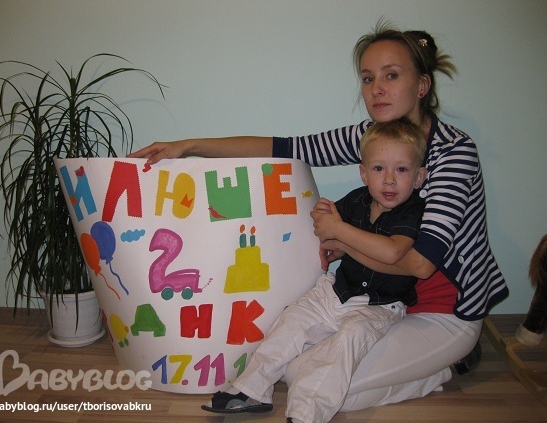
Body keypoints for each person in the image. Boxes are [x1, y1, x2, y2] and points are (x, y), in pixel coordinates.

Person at [129, 20, 509, 421]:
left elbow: (420, 264)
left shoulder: (453, 152)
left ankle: (442, 367)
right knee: (298, 372)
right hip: (376, 301)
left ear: (422, 85)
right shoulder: (372, 137)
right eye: (368, 78)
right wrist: (189, 146)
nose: (376, 89)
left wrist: (343, 239)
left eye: (391, 75)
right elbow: (284, 148)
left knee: (330, 387)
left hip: (442, 312)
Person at [200, 117, 428, 423]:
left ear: (419, 177)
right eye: (378, 169)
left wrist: (338, 232)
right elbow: (325, 220)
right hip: (335, 291)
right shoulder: (357, 200)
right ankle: (251, 389)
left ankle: (306, 414)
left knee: (346, 342)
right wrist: (323, 213)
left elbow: (394, 250)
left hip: (379, 305)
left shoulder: (414, 211)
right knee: (291, 321)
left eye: (401, 170)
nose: (389, 180)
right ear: (363, 173)